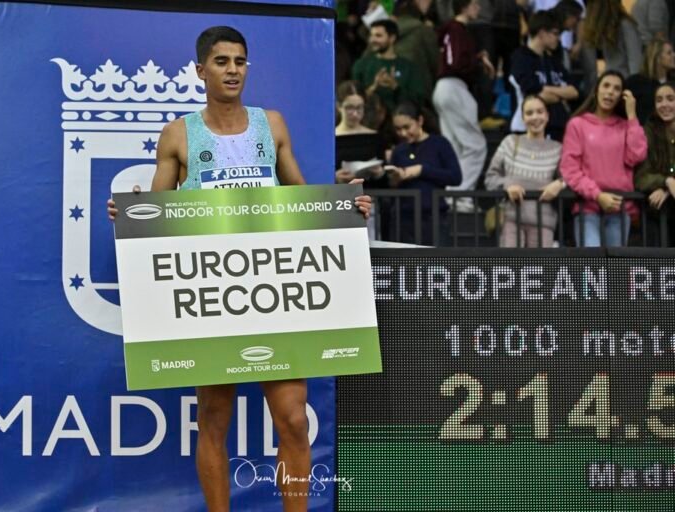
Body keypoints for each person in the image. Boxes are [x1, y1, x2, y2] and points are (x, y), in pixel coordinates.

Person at [107, 26, 371, 512]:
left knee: (293, 419)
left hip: (270, 289)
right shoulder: (179, 133)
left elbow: (302, 198)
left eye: (240, 61)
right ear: (200, 70)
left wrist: (344, 205)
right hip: (213, 297)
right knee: (214, 417)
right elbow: (157, 215)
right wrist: (133, 212)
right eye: (223, 61)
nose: (233, 70)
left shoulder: (271, 125)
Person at [560, 70, 648, 246]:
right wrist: (598, 195)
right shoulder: (578, 124)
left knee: (614, 270)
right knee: (593, 267)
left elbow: (636, 156)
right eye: (606, 85)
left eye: (616, 88)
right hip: (588, 208)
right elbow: (570, 169)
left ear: (622, 96)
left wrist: (632, 116)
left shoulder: (626, 126)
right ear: (596, 90)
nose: (610, 92)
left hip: (619, 208)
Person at [433, 0, 493, 212]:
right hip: (454, 87)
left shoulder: (451, 29)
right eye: (475, 4)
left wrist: (476, 57)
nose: (478, 8)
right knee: (476, 145)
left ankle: (453, 196)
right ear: (465, 6)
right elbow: (455, 61)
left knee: (456, 145)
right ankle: (460, 196)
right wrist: (477, 62)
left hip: (444, 88)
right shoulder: (457, 29)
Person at [485, 95, 565, 247]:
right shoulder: (510, 142)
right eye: (529, 113)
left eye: (540, 112)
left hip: (544, 222)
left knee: (541, 270)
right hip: (511, 219)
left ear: (547, 115)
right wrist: (508, 185)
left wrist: (559, 184)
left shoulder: (558, 148)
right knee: (510, 268)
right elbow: (490, 178)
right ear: (522, 118)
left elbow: (570, 178)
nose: (535, 117)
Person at [386, 102, 463, 244]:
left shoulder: (439, 144)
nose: (403, 133)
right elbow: (392, 186)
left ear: (420, 121)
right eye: (398, 129)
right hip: (404, 218)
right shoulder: (399, 150)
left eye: (407, 127)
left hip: (433, 216)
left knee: (436, 264)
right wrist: (395, 178)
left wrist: (422, 170)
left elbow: (455, 176)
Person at [509, 11, 578, 141]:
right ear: (541, 33)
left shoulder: (553, 60)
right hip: (529, 128)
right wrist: (561, 94)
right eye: (555, 33)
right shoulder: (520, 57)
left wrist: (547, 89)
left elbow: (574, 91)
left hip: (558, 125)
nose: (558, 38)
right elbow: (533, 94)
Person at [352, 19, 426, 111]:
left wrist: (395, 86)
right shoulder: (361, 65)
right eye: (371, 35)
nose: (372, 40)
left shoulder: (408, 67)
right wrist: (374, 87)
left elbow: (418, 101)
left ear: (392, 38)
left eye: (378, 36)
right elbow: (352, 100)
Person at [635, 81, 675, 246]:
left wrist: (666, 189)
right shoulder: (648, 131)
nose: (664, 104)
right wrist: (666, 181)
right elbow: (641, 176)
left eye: (670, 98)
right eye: (659, 100)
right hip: (657, 216)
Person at [580, 0, 643, 83]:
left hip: (625, 80)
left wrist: (634, 85)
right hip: (610, 78)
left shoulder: (625, 25)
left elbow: (635, 60)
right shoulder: (603, 28)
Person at [626, 39, 675, 124]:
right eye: (669, 53)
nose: (674, 55)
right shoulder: (635, 82)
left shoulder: (673, 81)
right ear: (657, 57)